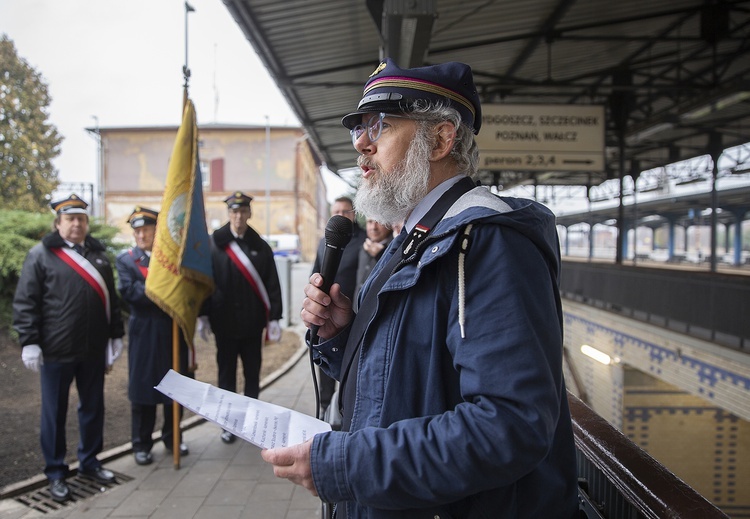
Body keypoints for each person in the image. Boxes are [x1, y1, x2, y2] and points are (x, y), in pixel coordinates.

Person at [261, 59, 579, 518]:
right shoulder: (415, 237)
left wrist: (348, 464)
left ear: (440, 139)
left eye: (381, 125)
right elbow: (416, 374)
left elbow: (510, 425)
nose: (362, 146)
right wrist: (344, 337)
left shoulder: (487, 243)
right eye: (360, 129)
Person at [13, 194, 125, 502]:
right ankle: (56, 472)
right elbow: (26, 302)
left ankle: (89, 462)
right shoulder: (41, 255)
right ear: (58, 223)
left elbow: (111, 300)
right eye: (70, 219)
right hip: (56, 351)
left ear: (87, 223)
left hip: (92, 350)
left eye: (81, 219)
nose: (76, 224)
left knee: (92, 409)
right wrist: (30, 341)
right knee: (54, 413)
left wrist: (115, 335)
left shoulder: (98, 255)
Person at [200, 192, 283, 444]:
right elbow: (205, 282)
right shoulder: (214, 244)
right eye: (234, 212)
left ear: (249, 213)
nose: (238, 217)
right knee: (226, 374)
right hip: (223, 323)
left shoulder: (260, 246)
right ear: (229, 214)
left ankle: (252, 420)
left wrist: (275, 318)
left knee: (252, 373)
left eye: (242, 212)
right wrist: (202, 314)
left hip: (251, 323)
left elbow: (272, 283)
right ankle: (228, 423)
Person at [115, 207, 191, 466]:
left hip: (171, 332)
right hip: (144, 334)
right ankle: (142, 443)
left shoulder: (170, 259)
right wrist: (163, 290)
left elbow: (182, 289)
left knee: (175, 389)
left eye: (146, 229)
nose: (141, 234)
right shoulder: (126, 260)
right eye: (137, 230)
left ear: (156, 231)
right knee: (143, 390)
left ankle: (172, 438)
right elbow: (130, 292)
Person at [310, 196, 366, 414]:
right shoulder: (325, 240)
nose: (341, 215)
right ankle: (324, 406)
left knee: (350, 366)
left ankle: (346, 407)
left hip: (352, 314)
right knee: (325, 361)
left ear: (353, 214)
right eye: (337, 212)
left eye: (346, 211)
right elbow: (315, 270)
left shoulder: (364, 240)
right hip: (326, 313)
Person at [353, 219, 393, 311]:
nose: (373, 227)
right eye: (370, 222)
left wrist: (380, 255)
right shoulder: (362, 247)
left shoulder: (395, 249)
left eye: (378, 221)